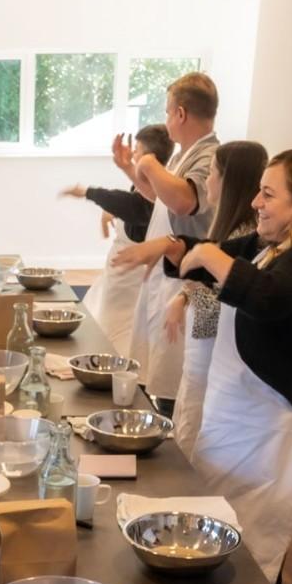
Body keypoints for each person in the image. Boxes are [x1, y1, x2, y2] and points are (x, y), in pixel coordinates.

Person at [174, 147, 292, 581]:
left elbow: (267, 298)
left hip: (266, 434)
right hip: (230, 421)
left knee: (248, 556)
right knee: (211, 539)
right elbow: (202, 256)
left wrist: (209, 258)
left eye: (268, 195)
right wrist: (176, 249)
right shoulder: (268, 247)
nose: (255, 203)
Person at [138, 139, 270, 449]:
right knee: (186, 424)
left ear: (229, 181)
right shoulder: (226, 226)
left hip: (214, 357)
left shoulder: (245, 235)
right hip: (202, 354)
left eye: (211, 173)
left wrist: (186, 295)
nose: (206, 181)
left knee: (193, 436)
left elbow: (221, 302)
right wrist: (183, 295)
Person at [111, 73, 222, 409]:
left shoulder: (210, 156)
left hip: (186, 279)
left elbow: (186, 201)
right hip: (163, 273)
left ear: (181, 114)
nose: (166, 119)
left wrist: (147, 161)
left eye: (166, 111)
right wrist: (131, 171)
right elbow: (160, 198)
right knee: (155, 366)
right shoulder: (182, 155)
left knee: (178, 380)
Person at [58, 122, 172, 359]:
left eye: (137, 151)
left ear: (149, 158)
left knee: (114, 340)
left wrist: (87, 192)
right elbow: (132, 202)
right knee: (97, 331)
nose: (133, 155)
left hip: (127, 288)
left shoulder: (159, 190)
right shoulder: (146, 185)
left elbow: (134, 206)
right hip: (115, 280)